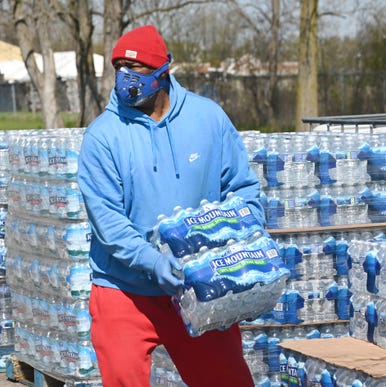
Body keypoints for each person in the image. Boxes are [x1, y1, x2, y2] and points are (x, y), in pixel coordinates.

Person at [78, 24, 264, 387]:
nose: (126, 78)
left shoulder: (207, 119)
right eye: (120, 69)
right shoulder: (102, 136)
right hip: (124, 287)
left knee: (226, 380)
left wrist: (246, 236)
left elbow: (241, 189)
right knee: (121, 378)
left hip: (198, 285)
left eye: (138, 71)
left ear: (163, 73)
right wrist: (153, 261)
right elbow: (108, 223)